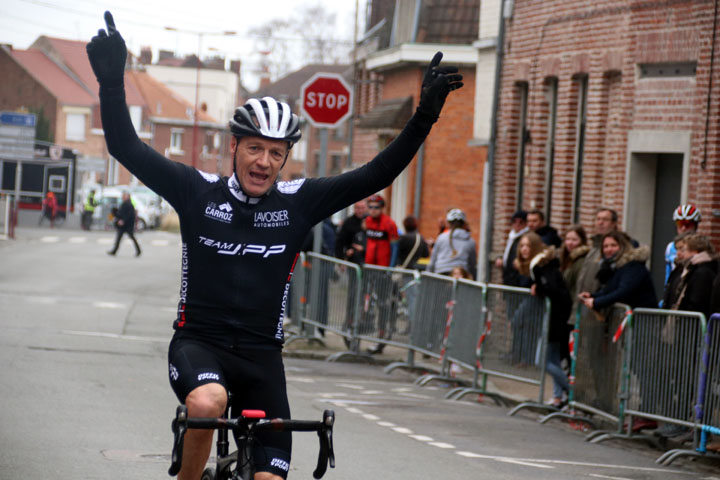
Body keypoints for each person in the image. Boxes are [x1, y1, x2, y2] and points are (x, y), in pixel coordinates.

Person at [87, 12, 462, 480]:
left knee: (268, 478)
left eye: (276, 153)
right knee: (207, 401)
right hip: (198, 344)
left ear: (286, 158)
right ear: (235, 147)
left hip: (263, 358)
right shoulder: (196, 191)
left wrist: (424, 116)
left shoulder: (298, 202)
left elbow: (375, 174)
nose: (264, 162)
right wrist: (110, 84)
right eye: (254, 148)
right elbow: (126, 147)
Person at [529, 246, 572, 408]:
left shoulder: (545, 271)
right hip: (556, 322)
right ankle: (558, 396)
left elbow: (551, 290)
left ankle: (570, 390)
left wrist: (539, 288)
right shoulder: (552, 270)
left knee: (543, 361)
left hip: (555, 323)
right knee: (554, 360)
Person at [578, 231, 657, 311]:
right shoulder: (616, 266)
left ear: (623, 246)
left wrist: (596, 302)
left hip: (641, 320)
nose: (609, 249)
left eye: (613, 245)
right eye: (605, 246)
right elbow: (610, 290)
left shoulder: (633, 266)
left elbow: (623, 292)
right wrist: (593, 296)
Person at [363, 194, 399, 354]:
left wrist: (390, 269)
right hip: (369, 268)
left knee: (382, 304)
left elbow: (395, 247)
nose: (372, 210)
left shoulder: (389, 224)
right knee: (364, 299)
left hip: (383, 269)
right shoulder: (367, 222)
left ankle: (382, 334)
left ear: (382, 208)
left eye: (376, 207)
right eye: (370, 207)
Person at [510, 232, 546, 364]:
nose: (524, 249)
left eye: (528, 246)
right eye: (522, 245)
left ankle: (528, 359)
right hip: (523, 300)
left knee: (528, 327)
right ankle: (520, 356)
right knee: (519, 324)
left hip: (535, 303)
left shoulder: (538, 265)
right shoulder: (521, 264)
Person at [427, 208, 477, 279]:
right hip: (461, 275)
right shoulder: (470, 241)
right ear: (463, 224)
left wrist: (428, 275)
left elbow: (433, 260)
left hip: (441, 275)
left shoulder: (441, 237)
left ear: (448, 223)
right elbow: (472, 264)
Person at [664, 204, 701, 285]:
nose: (683, 228)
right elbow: (668, 273)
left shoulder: (701, 247)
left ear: (695, 226)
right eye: (680, 223)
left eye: (687, 224)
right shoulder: (670, 247)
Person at [496, 210, 529, 285]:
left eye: (521, 222)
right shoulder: (512, 236)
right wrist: (501, 258)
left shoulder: (525, 237)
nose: (517, 224)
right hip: (508, 277)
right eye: (514, 221)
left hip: (518, 279)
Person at [558, 224, 590, 301]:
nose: (570, 243)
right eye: (568, 239)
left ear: (582, 241)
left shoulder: (581, 261)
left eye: (574, 240)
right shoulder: (565, 258)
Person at [107, 191, 141, 257]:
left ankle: (138, 250)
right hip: (124, 225)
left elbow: (129, 215)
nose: (123, 197)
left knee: (132, 237)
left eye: (124, 196)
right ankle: (114, 251)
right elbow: (121, 213)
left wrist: (123, 220)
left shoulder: (129, 204)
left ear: (128, 196)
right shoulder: (124, 203)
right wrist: (115, 212)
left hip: (127, 225)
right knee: (119, 238)